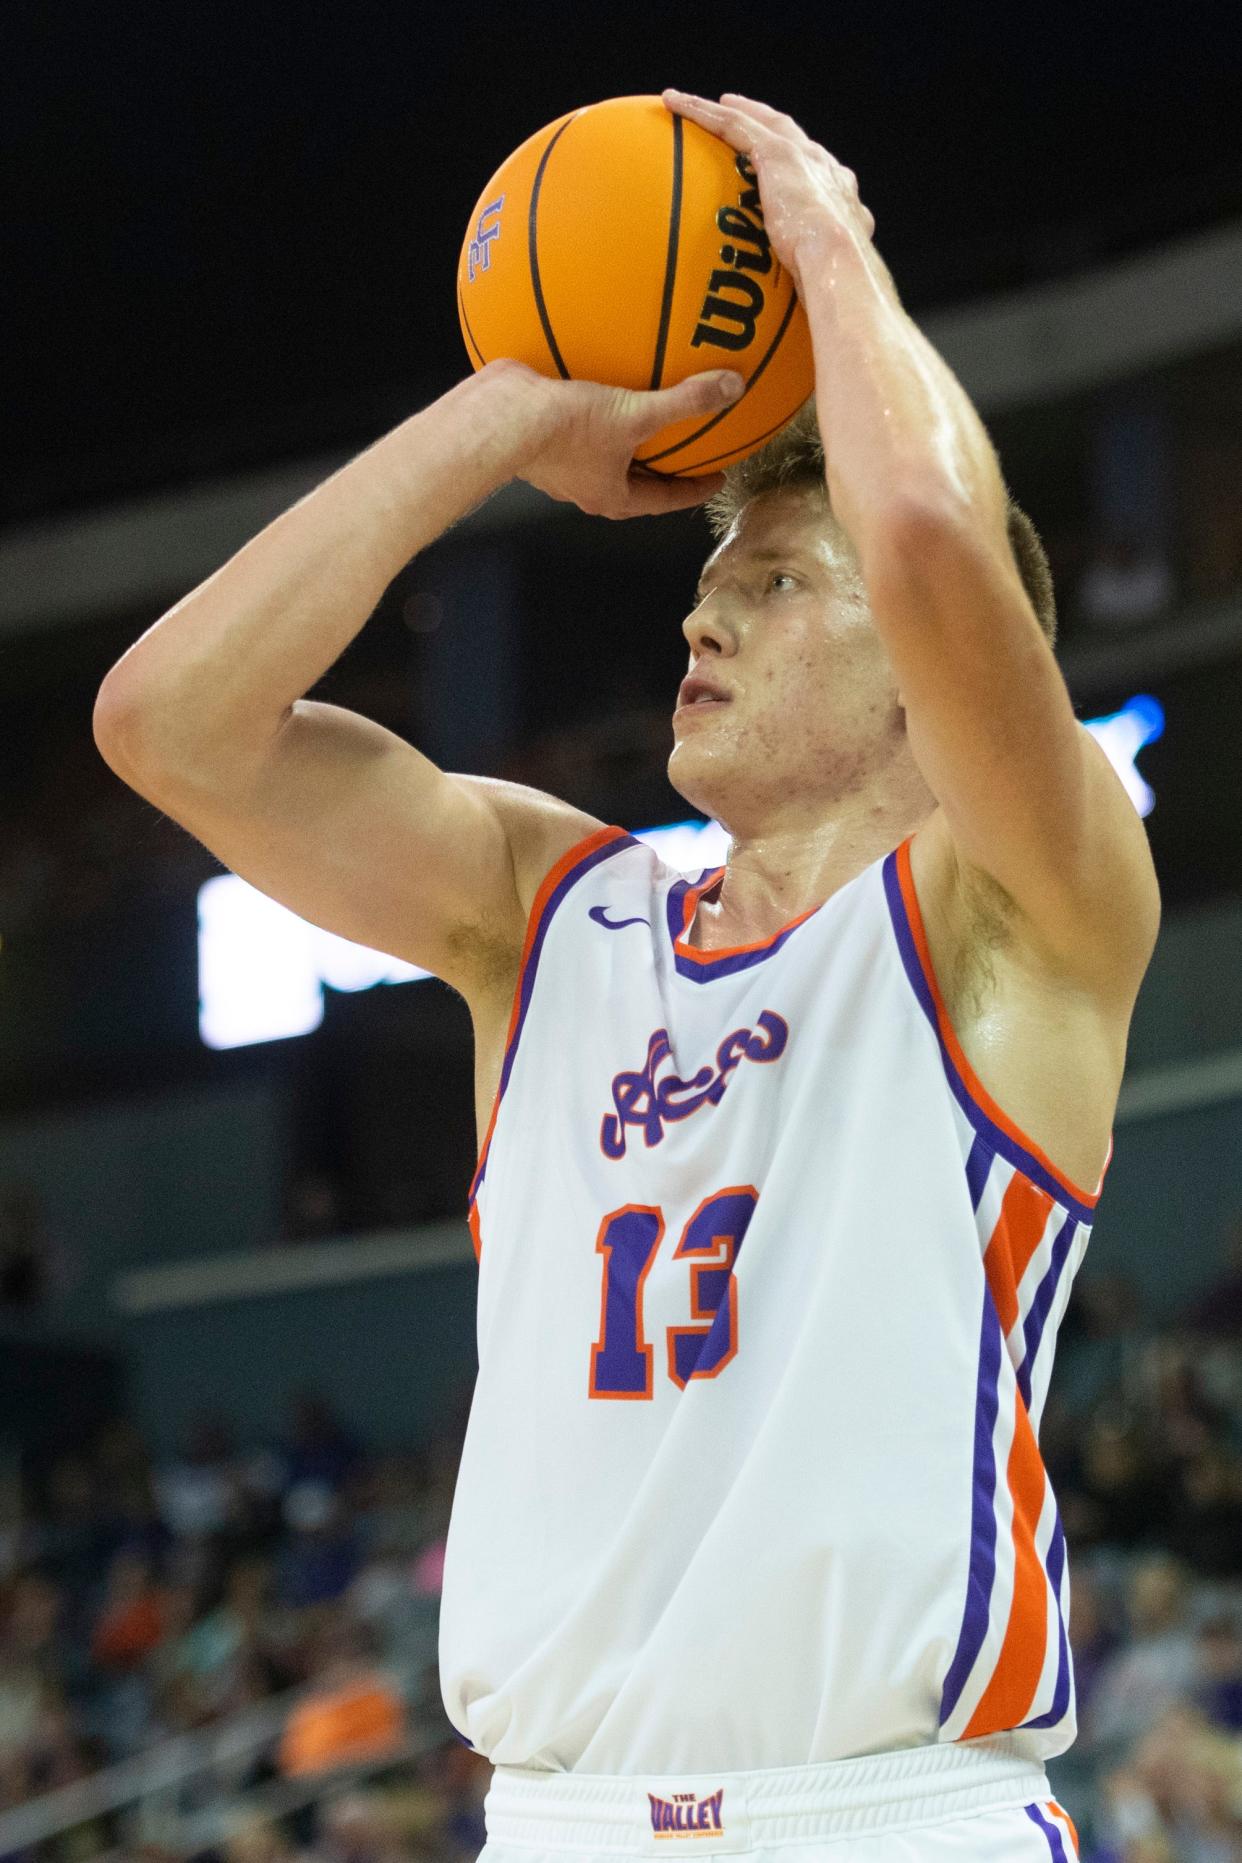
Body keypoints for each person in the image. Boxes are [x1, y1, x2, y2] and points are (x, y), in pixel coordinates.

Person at [93, 87, 1158, 1863]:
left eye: (774, 581)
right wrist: (505, 409)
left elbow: (928, 547)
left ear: (926, 673)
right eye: (708, 577)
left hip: (888, 1821)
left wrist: (827, 250)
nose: (700, 618)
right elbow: (164, 723)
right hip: (560, 1826)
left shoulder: (1019, 913)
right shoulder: (544, 912)